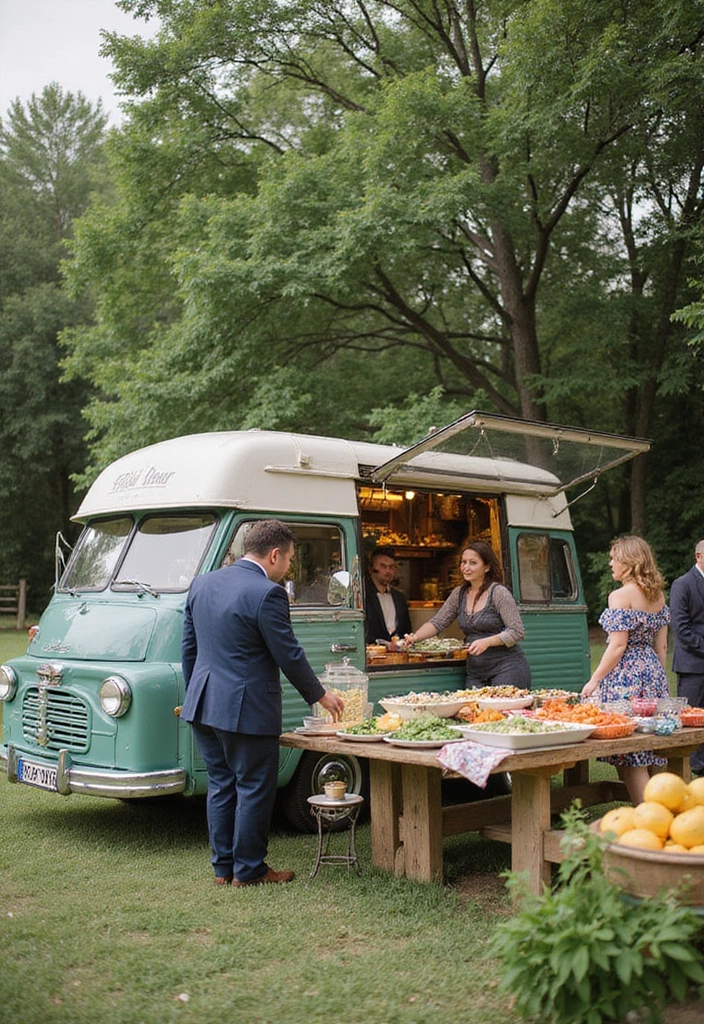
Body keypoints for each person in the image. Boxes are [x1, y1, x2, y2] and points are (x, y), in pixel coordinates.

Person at [181, 519, 344, 887]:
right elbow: (288, 653)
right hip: (246, 708)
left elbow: (188, 649)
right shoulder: (267, 594)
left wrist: (196, 695)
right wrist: (320, 694)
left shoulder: (202, 583)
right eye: (288, 560)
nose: (287, 568)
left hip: (204, 704)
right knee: (254, 786)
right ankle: (250, 870)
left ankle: (224, 869)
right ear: (274, 555)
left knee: (221, 785)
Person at [581, 535, 670, 804]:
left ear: (628, 563)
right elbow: (662, 646)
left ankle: (648, 818)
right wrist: (658, 683)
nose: (610, 563)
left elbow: (618, 645)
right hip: (653, 671)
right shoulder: (658, 596)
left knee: (629, 751)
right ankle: (660, 811)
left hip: (626, 675)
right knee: (649, 743)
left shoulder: (619, 596)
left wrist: (594, 679)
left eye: (614, 558)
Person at [404, 541, 531, 689]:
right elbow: (438, 622)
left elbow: (517, 631)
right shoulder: (459, 594)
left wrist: (487, 642)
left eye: (473, 563)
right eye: (463, 562)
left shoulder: (499, 593)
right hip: (475, 672)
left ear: (487, 567)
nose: (466, 567)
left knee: (502, 711)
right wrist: (415, 637)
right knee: (471, 711)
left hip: (507, 668)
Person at [669, 539, 704, 777]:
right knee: (694, 718)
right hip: (693, 664)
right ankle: (695, 768)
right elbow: (682, 629)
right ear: (699, 556)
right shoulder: (682, 584)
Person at [364, 546, 412, 645]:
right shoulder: (362, 596)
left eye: (391, 567)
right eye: (383, 566)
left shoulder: (400, 598)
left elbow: (407, 630)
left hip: (398, 655)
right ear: (371, 569)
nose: (388, 571)